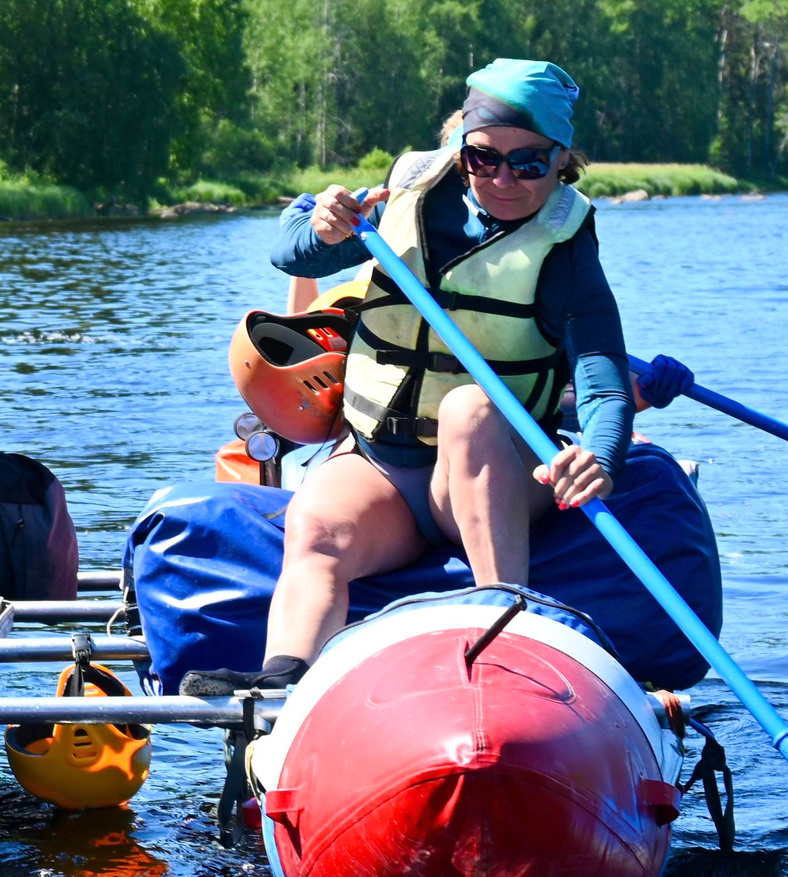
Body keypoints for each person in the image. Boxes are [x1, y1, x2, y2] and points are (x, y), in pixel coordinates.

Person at [183, 58, 633, 696]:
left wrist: (602, 455)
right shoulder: (406, 195)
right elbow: (289, 248)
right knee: (316, 530)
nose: (502, 178)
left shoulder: (566, 249)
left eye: (528, 162)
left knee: (471, 410)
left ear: (562, 160)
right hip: (380, 468)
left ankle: (504, 635)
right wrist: (318, 226)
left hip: (494, 473)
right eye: (483, 158)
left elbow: (604, 379)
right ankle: (284, 681)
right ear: (459, 148)